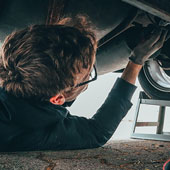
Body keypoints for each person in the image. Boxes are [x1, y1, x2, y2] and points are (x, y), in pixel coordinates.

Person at [0, 16, 167, 152]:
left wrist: (136, 60)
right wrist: (136, 62)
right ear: (57, 99)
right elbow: (97, 132)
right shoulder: (35, 134)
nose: (88, 78)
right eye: (87, 76)